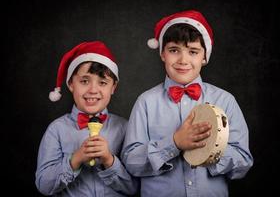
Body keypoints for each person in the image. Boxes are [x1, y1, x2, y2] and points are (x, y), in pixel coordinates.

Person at [121, 10, 253, 197]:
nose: (183, 60)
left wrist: (209, 150)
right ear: (162, 54)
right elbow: (131, 162)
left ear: (204, 57)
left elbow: (243, 162)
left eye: (193, 51)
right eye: (174, 50)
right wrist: (174, 143)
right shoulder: (145, 103)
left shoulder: (226, 100)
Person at [35, 41, 138, 196]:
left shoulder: (125, 128)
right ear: (71, 84)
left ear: (113, 87)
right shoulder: (56, 129)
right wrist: (75, 159)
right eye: (84, 81)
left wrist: (109, 160)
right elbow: (44, 186)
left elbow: (134, 188)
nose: (93, 90)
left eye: (103, 82)